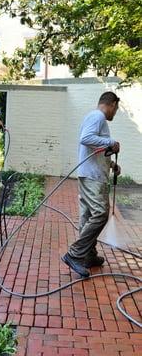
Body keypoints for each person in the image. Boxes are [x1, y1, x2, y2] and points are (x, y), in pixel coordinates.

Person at [62, 91, 121, 277]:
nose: (115, 113)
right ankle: (75, 254)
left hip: (91, 174)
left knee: (88, 215)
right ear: (111, 104)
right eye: (116, 109)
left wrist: (111, 163)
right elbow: (86, 138)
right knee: (101, 213)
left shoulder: (94, 117)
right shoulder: (98, 116)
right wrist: (111, 142)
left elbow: (94, 148)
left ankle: (89, 255)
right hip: (92, 177)